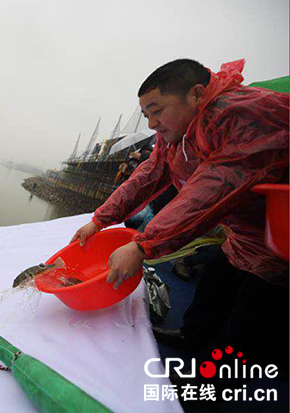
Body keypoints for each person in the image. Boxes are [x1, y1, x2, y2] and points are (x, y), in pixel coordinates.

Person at [70, 59, 289, 378]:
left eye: (157, 111)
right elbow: (150, 172)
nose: (151, 124)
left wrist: (143, 246)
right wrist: (101, 219)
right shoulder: (180, 131)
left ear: (197, 94)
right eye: (146, 115)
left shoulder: (240, 113)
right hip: (245, 237)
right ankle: (193, 340)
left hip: (280, 240)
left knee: (249, 320)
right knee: (212, 291)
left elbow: (214, 186)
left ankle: (214, 386)